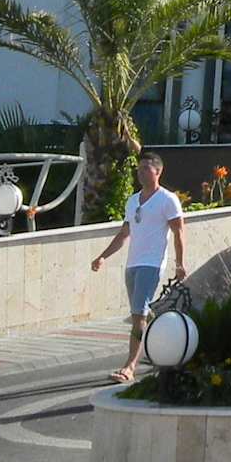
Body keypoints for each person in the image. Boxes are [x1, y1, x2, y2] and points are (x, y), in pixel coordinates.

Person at [90, 150, 186, 383]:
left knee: (137, 315)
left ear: (158, 171)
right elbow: (124, 233)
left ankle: (130, 366)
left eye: (145, 168)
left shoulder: (167, 200)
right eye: (139, 169)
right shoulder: (132, 201)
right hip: (132, 264)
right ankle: (164, 338)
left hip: (151, 264)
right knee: (142, 314)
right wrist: (103, 256)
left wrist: (179, 264)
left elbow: (179, 232)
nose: (140, 173)